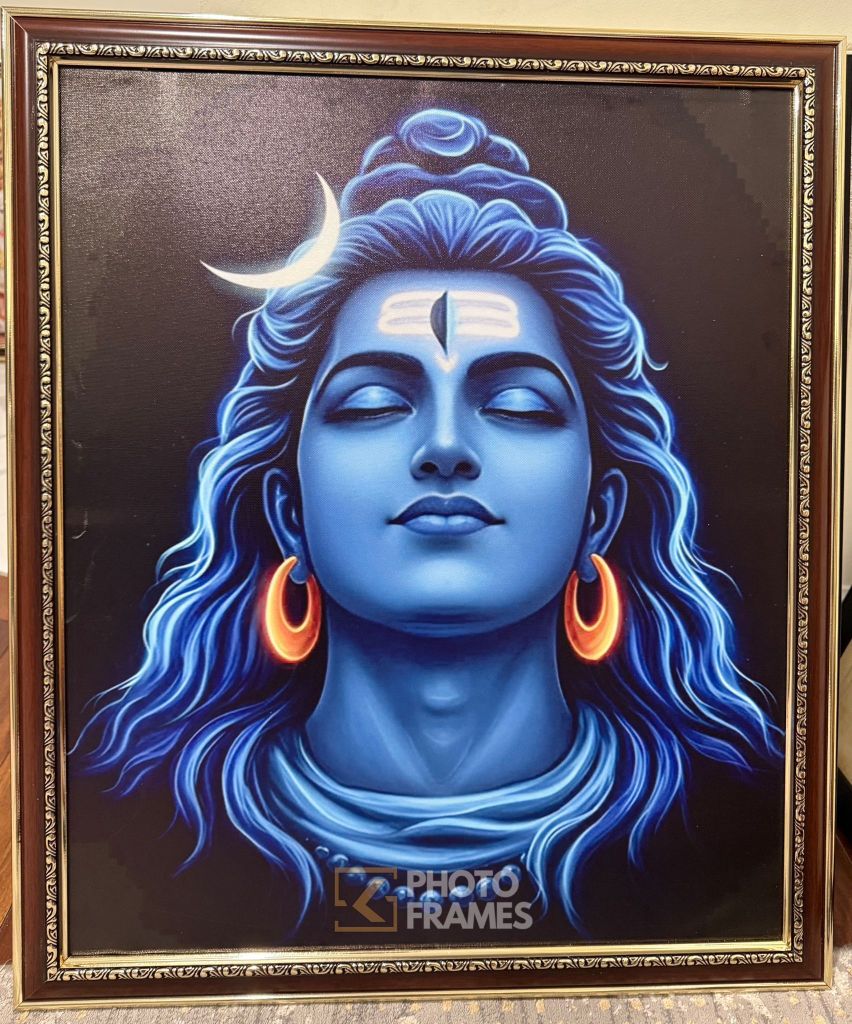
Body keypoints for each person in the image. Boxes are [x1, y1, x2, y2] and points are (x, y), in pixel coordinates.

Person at [75, 108, 782, 943]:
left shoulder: (729, 836)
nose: (445, 447)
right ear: (286, 510)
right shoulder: (141, 836)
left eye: (518, 405)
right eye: (374, 402)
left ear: (602, 511)